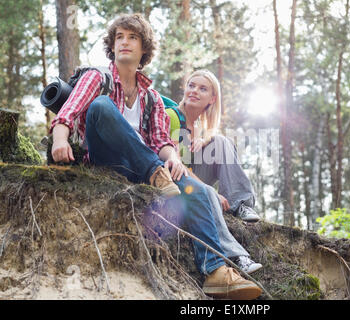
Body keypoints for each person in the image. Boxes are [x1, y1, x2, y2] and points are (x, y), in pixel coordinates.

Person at [50, 13, 261, 300]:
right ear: (112, 46)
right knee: (100, 106)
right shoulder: (98, 77)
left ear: (144, 49)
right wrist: (60, 139)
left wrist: (173, 157)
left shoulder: (151, 96)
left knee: (195, 188)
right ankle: (155, 172)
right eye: (119, 37)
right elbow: (70, 109)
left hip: (143, 169)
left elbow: (162, 139)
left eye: (132, 37)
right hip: (107, 159)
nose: (124, 42)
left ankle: (215, 270)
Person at [166, 70, 260, 223]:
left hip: (192, 178)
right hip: (174, 180)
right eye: (191, 86)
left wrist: (205, 139)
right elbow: (176, 167)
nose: (194, 91)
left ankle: (239, 205)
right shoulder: (171, 116)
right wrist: (210, 192)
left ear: (212, 99)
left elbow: (215, 143)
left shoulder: (200, 128)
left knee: (222, 141)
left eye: (203, 89)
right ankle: (225, 202)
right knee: (220, 141)